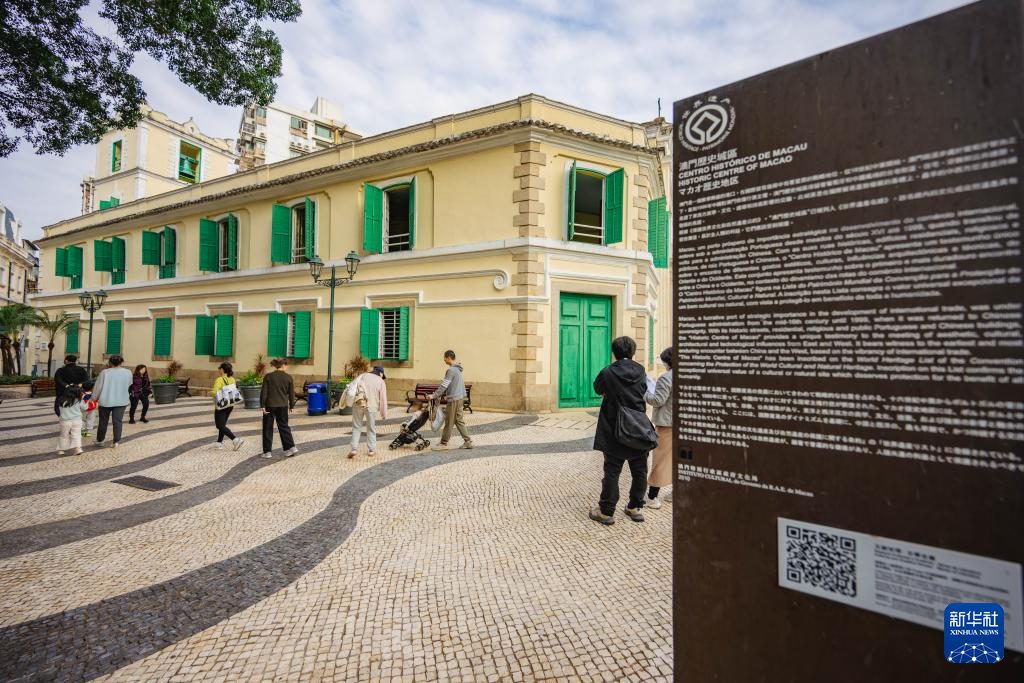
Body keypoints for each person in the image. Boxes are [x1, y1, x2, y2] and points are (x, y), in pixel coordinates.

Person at [590, 336, 651, 525]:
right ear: (633, 352)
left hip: (614, 427)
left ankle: (606, 511)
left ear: (614, 352)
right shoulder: (641, 370)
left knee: (612, 470)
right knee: (639, 470)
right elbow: (645, 390)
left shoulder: (608, 371)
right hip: (638, 426)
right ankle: (635, 507)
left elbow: (597, 388)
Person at [644, 347, 673, 509]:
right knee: (679, 460)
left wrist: (645, 393)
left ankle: (652, 497)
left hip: (666, 425)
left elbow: (658, 400)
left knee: (659, 461)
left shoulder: (666, 377)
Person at [431, 350, 473, 450]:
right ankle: (468, 441)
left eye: (444, 358)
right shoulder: (458, 370)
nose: (444, 360)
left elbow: (444, 385)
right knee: (459, 420)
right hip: (460, 398)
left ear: (449, 358)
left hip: (454, 399)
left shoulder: (451, 370)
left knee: (449, 421)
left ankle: (444, 443)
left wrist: (434, 396)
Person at [91, 355, 132, 448]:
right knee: (118, 421)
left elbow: (98, 387)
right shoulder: (128, 372)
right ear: (121, 362)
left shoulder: (105, 372)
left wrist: (93, 398)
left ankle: (100, 440)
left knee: (103, 421)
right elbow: (129, 384)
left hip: (106, 400)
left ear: (110, 362)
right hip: (121, 400)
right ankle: (116, 442)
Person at [348, 365, 389, 459]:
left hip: (358, 403)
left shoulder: (362, 376)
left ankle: (353, 449)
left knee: (356, 427)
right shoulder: (381, 381)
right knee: (371, 428)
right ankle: (371, 450)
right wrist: (383, 413)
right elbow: (383, 399)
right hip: (371, 407)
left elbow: (353, 387)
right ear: (381, 373)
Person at [260, 358, 297, 459]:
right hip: (283, 405)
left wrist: (262, 405)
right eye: (286, 365)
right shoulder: (288, 377)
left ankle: (267, 452)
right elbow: (291, 393)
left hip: (270, 405)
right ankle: (290, 447)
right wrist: (291, 406)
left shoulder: (268, 376)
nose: (287, 367)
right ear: (283, 365)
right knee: (284, 426)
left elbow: (264, 392)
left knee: (267, 428)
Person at [211, 362, 245, 451]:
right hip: (230, 404)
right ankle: (219, 443)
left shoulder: (219, 379)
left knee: (219, 425)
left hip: (222, 405)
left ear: (222, 369)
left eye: (219, 368)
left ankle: (235, 439)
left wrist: (210, 393)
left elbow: (215, 392)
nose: (219, 370)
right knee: (223, 424)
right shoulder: (232, 379)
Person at [56, 385, 96, 456]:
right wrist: (86, 401)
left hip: (64, 421)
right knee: (77, 434)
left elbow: (59, 409)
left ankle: (61, 450)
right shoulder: (78, 401)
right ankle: (77, 449)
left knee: (63, 435)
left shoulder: (61, 400)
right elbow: (85, 407)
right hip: (77, 420)